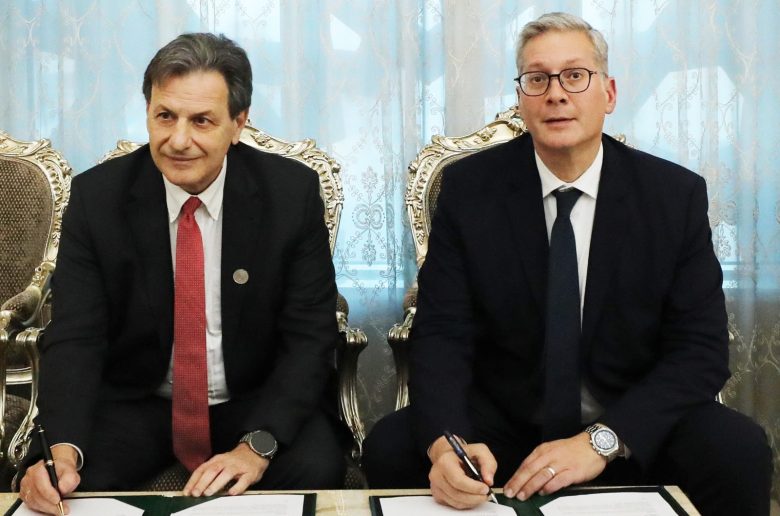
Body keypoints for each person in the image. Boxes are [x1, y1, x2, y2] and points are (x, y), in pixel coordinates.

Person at [363, 12, 771, 516]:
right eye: (537, 79)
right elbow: (442, 334)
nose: (556, 93)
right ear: (521, 98)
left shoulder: (672, 195)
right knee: (392, 445)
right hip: (505, 426)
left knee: (737, 450)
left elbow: (700, 351)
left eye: (575, 75)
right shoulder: (470, 192)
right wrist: (448, 445)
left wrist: (602, 440)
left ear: (609, 94)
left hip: (628, 425)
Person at [19, 33, 345, 514]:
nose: (178, 140)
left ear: (238, 124)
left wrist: (257, 446)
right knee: (62, 488)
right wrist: (62, 448)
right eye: (165, 116)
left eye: (201, 121)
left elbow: (310, 336)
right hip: (138, 401)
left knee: (317, 468)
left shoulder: (289, 194)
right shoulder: (98, 198)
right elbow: (75, 336)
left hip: (253, 401)